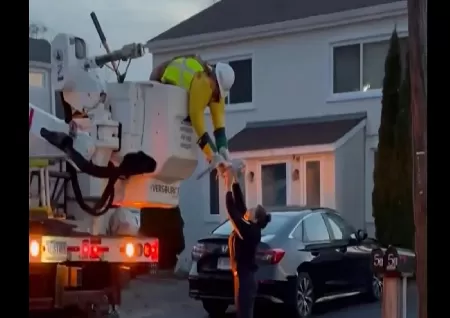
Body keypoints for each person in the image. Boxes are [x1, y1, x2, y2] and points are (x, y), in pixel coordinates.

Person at [150, 55, 235, 169]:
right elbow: (197, 122)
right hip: (162, 75)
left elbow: (219, 125)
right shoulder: (202, 82)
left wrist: (223, 148)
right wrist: (212, 154)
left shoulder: (217, 93)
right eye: (217, 90)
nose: (217, 94)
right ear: (213, 80)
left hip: (177, 94)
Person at [224, 171, 271, 318]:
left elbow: (233, 212)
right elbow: (240, 205)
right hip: (243, 278)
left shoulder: (250, 231)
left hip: (246, 280)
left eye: (252, 211)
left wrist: (227, 186)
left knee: (244, 315)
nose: (248, 210)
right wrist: (234, 181)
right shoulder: (250, 226)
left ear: (255, 219)